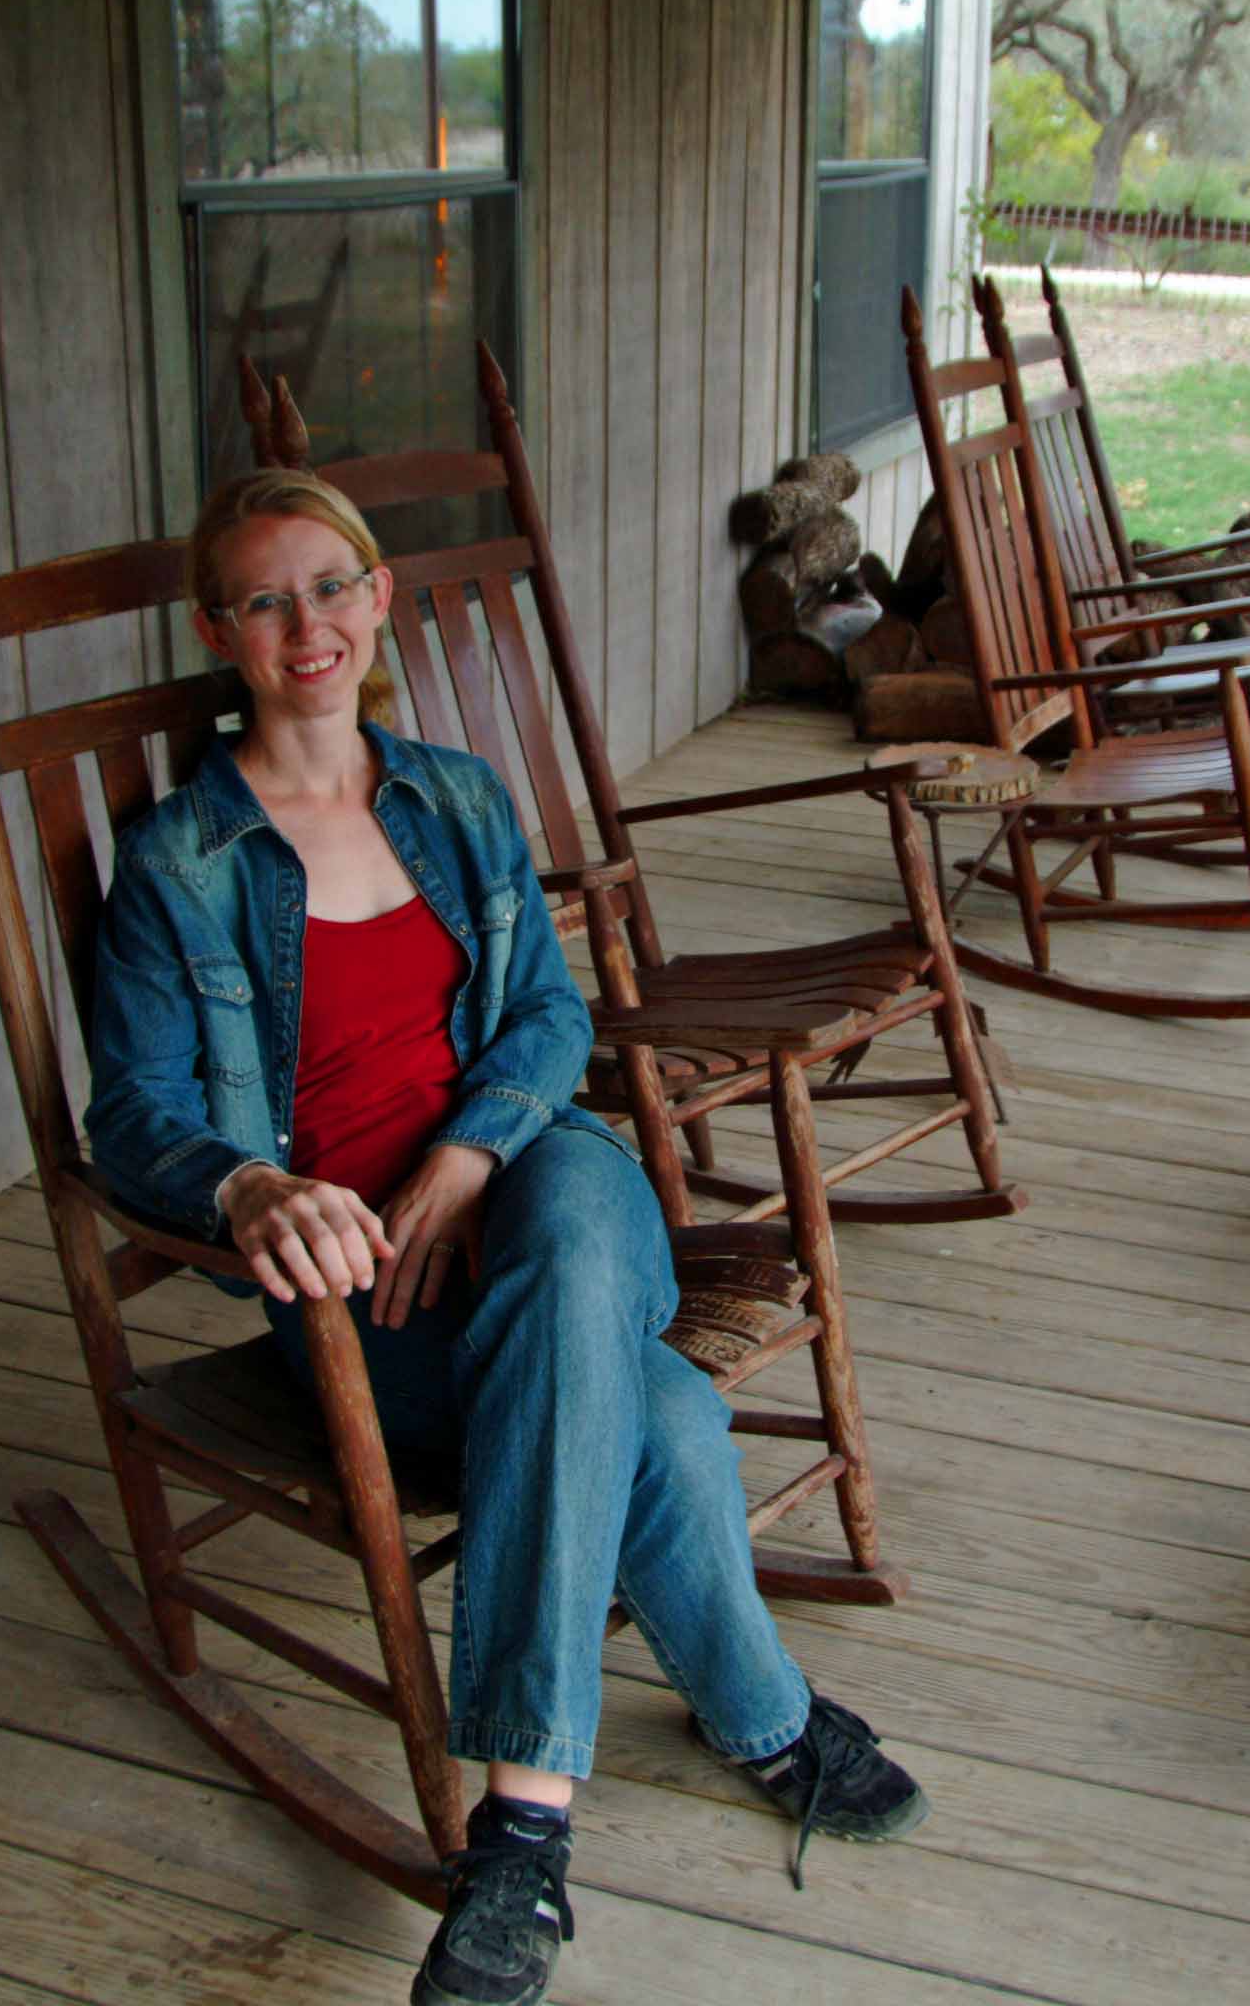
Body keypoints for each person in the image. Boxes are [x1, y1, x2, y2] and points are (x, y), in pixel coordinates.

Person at [84, 468, 928, 2006]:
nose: (306, 625)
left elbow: (544, 1014)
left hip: (543, 1172)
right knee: (653, 1404)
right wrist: (252, 1190)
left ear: (377, 598)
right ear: (222, 629)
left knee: (573, 1262)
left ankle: (522, 1830)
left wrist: (468, 1157)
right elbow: (131, 1115)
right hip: (362, 1287)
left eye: (330, 585)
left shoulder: (458, 798)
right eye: (266, 599)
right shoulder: (180, 864)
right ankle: (767, 1715)